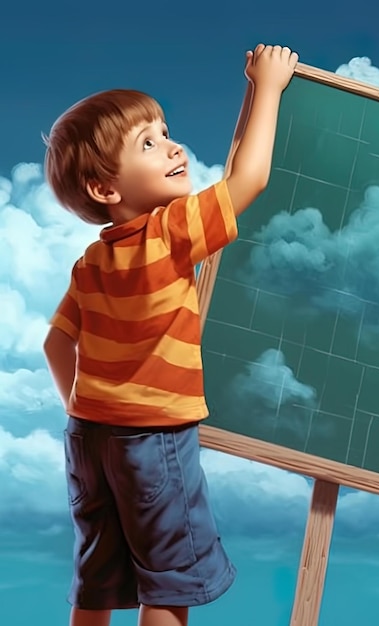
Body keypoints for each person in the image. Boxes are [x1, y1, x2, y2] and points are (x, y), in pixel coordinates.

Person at [42, 43, 298, 626]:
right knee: (169, 581)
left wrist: (90, 411)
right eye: (149, 144)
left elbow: (57, 345)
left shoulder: (91, 263)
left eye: (166, 131)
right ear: (107, 190)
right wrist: (269, 88)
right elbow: (248, 178)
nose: (173, 146)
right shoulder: (170, 233)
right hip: (154, 442)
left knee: (98, 582)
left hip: (90, 440)